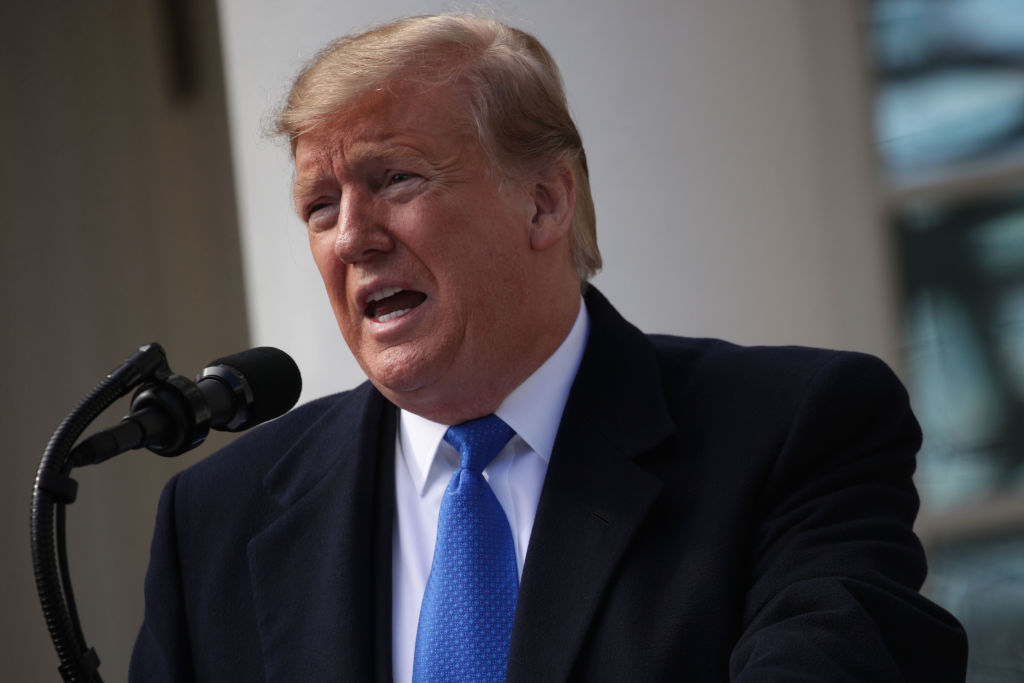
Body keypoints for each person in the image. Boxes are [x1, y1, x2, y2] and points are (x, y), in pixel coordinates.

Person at [130, 14, 968, 682]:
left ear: (544, 202)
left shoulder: (792, 431)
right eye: (320, 205)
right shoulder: (217, 519)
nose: (351, 237)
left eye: (395, 179)